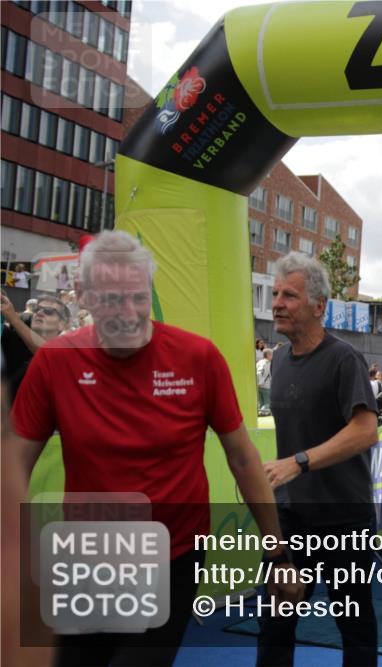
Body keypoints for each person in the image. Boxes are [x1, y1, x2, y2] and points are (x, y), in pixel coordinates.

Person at [10, 231, 300, 667]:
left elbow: (242, 458)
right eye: (112, 300)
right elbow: (14, 464)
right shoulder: (56, 362)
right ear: (85, 297)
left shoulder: (197, 358)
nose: (128, 314)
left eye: (137, 297)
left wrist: (277, 553)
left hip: (173, 555)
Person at [259, 252, 380, 666]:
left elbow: (366, 431)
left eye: (289, 295)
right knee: (276, 622)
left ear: (319, 305)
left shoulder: (344, 359)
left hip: (345, 520)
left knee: (354, 625)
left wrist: (299, 462)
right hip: (291, 519)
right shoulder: (277, 359)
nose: (276, 303)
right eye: (275, 294)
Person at [1, 293, 71, 399]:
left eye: (48, 311)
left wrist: (13, 318)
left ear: (62, 323)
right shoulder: (10, 337)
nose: (39, 313)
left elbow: (47, 354)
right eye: (37, 309)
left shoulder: (68, 351)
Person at [257, 348, 273, 415]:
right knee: (267, 403)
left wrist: (259, 382)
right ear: (268, 355)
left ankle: (261, 412)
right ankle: (262, 412)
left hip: (259, 385)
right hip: (266, 385)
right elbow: (270, 374)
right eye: (272, 354)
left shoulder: (259, 362)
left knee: (261, 402)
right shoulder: (268, 363)